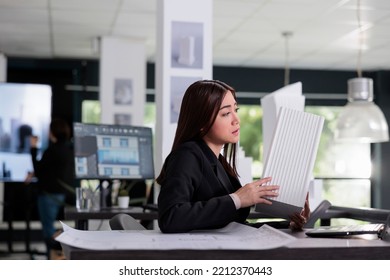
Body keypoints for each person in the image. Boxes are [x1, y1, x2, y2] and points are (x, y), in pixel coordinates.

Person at [156, 79, 310, 233]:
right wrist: (237, 199)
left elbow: (235, 226)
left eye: (236, 110)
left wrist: (288, 226)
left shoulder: (219, 161)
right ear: (201, 122)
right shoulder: (187, 156)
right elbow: (170, 217)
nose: (236, 120)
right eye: (226, 113)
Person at [26, 118, 74, 258]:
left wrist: (33, 148)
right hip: (61, 194)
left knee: (48, 230)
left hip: (48, 195)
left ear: (53, 132)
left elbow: (40, 169)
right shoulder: (67, 150)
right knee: (51, 228)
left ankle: (52, 257)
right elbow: (52, 170)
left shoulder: (51, 150)